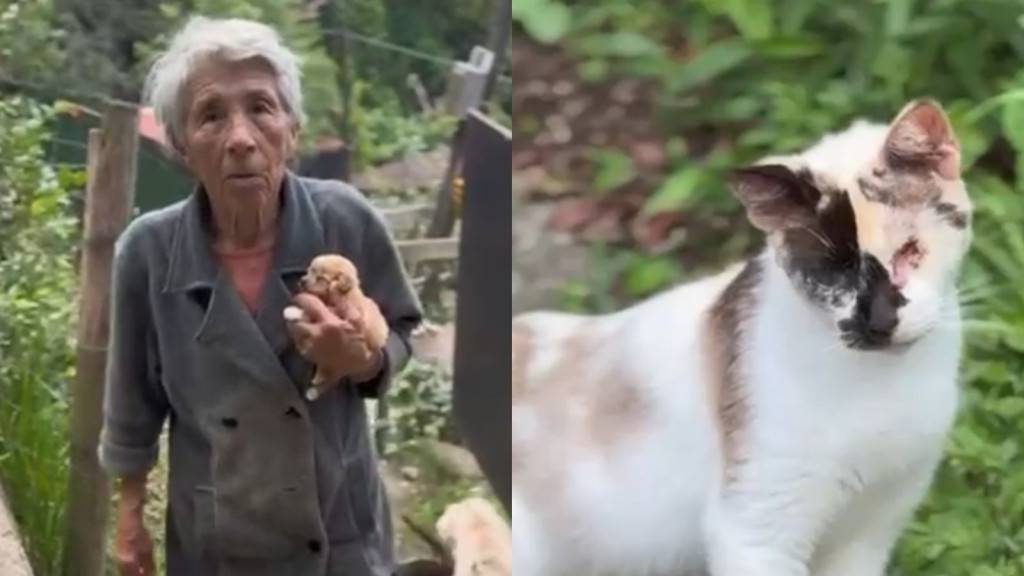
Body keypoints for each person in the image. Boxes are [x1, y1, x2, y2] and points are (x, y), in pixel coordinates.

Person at [97, 15, 423, 576]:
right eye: (211, 116)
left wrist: (361, 360)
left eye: (261, 108)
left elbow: (400, 331)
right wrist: (130, 518)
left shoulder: (343, 221)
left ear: (291, 129)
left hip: (338, 535)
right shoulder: (148, 253)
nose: (242, 139)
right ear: (180, 144)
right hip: (216, 541)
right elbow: (132, 400)